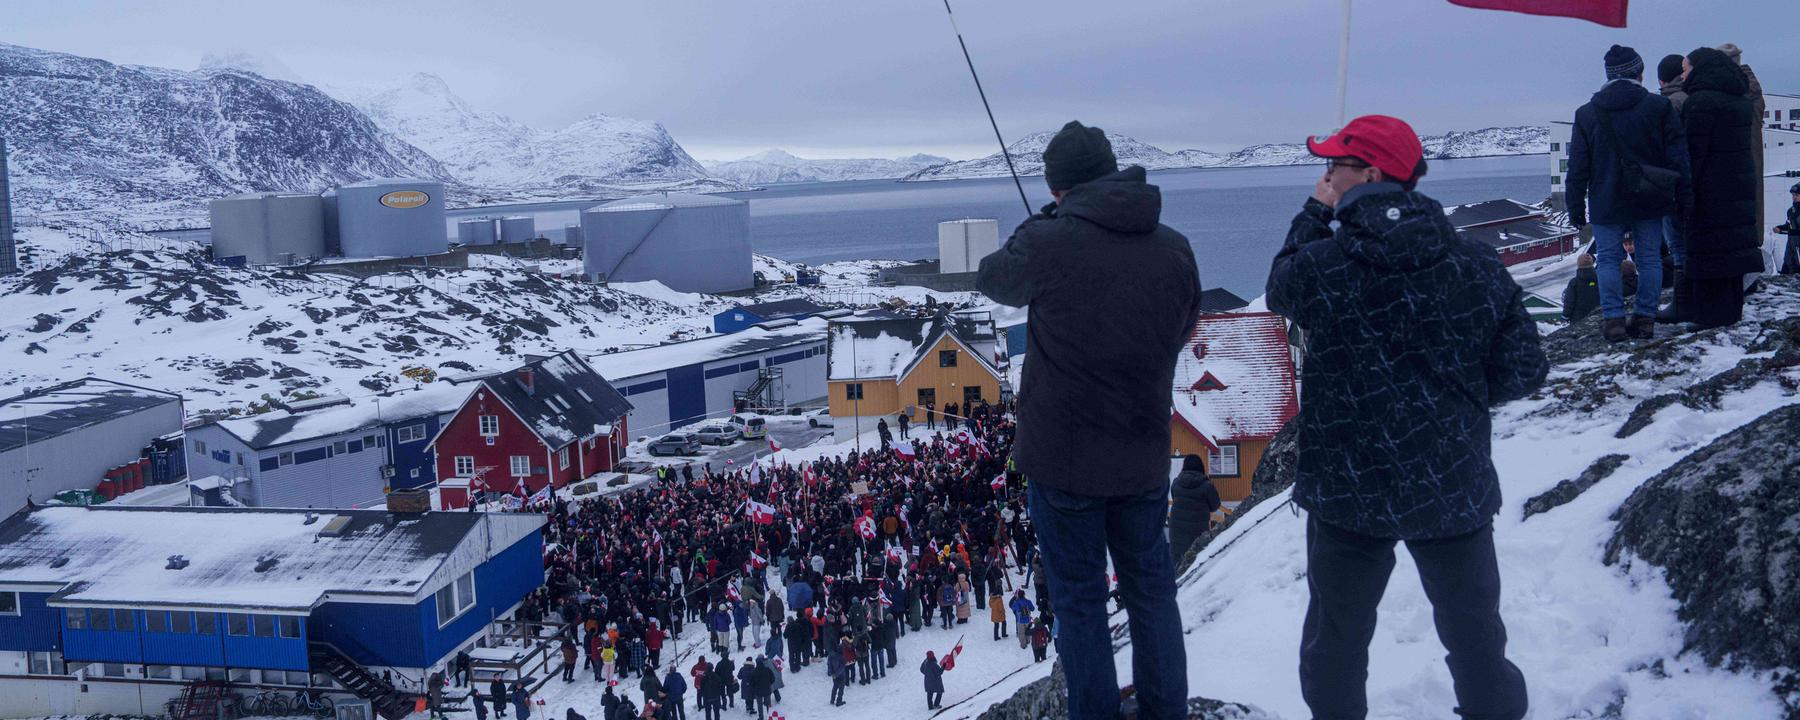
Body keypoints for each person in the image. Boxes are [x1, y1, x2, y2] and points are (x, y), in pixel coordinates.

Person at [1266, 113, 1547, 720]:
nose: (1326, 175)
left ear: (1370, 174)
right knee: (1475, 636)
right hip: (1451, 479)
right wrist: (1455, 405)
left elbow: (1281, 287)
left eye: (1335, 165)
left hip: (1348, 487)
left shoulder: (1325, 265)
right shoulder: (1476, 263)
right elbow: (1524, 368)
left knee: (1336, 643)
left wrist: (1314, 212)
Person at [976, 120, 1200, 720]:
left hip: (1063, 461)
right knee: (1152, 592)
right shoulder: (1174, 247)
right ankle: (1166, 710)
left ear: (1058, 188)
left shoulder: (1049, 241)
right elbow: (1184, 326)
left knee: (1079, 603)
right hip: (1143, 453)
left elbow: (993, 277)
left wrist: (1043, 223)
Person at [1566, 45, 1690, 341]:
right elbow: (1678, 157)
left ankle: (1614, 321)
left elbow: (1578, 166)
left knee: (1608, 259)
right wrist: (1683, 196)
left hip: (1605, 197)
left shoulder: (1587, 113)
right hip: (1650, 195)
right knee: (1649, 258)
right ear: (1640, 73)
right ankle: (1645, 319)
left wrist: (1575, 207)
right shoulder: (1658, 107)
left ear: (1608, 75)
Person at [1680, 46, 1764, 329]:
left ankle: (1708, 316)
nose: (1683, 75)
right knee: (1732, 249)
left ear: (1700, 69)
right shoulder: (1739, 99)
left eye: (1686, 69)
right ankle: (1731, 310)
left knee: (1709, 249)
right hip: (1738, 183)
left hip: (1710, 189)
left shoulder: (1700, 102)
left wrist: (1685, 190)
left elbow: (1693, 152)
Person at [1166, 454, 1222, 562]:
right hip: (1198, 531)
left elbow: (1174, 497)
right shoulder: (1207, 486)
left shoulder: (1176, 483)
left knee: (1177, 561)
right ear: (1201, 466)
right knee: (1196, 560)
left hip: (1177, 531)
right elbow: (1215, 506)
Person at [1774, 183, 1800, 275]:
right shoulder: (1791, 211)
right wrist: (1780, 228)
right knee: (1786, 270)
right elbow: (1789, 226)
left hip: (1798, 248)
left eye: (1797, 195)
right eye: (1793, 195)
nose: (1794, 197)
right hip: (1791, 246)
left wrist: (1782, 231)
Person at [826, 638, 848, 707]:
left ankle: (832, 700)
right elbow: (842, 668)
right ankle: (839, 701)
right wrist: (836, 674)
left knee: (835, 687)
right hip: (841, 675)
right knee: (841, 689)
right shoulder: (842, 658)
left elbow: (829, 664)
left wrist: (830, 673)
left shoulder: (831, 656)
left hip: (834, 675)